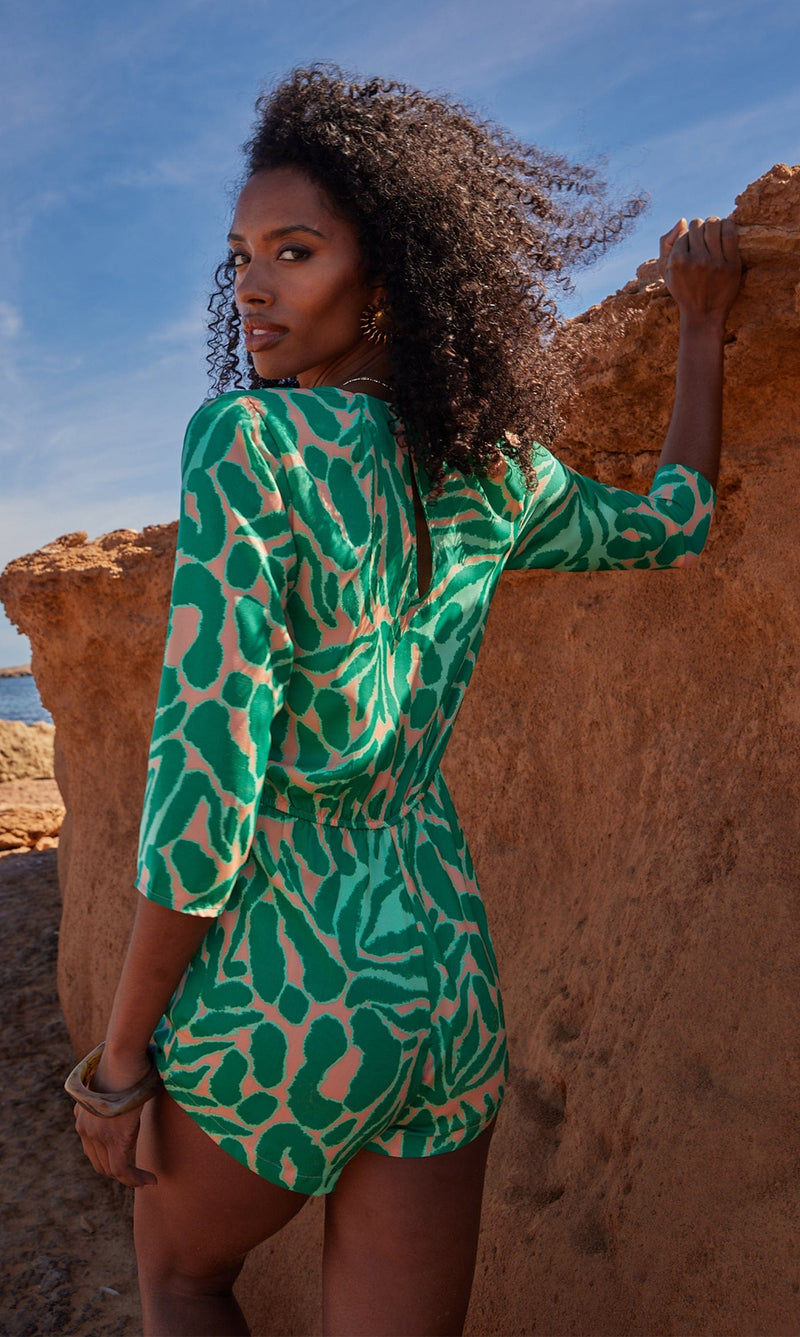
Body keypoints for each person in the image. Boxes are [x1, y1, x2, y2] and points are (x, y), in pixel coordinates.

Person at [67, 67, 742, 1337]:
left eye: (296, 251)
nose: (254, 288)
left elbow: (203, 796)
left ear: (386, 276)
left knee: (179, 1275)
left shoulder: (248, 444)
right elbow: (674, 526)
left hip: (293, 972)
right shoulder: (494, 472)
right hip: (442, 976)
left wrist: (115, 1065)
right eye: (243, 256)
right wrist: (699, 324)